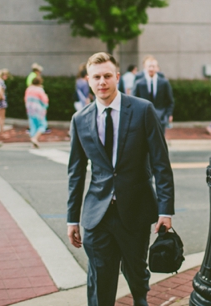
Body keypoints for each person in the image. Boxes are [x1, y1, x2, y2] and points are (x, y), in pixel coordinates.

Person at [67, 52, 174, 306]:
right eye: (96, 77)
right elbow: (76, 173)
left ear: (117, 77)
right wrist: (72, 218)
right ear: (89, 81)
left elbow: (161, 164)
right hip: (97, 214)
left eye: (106, 76)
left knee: (137, 274)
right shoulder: (80, 120)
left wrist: (165, 210)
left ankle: (140, 300)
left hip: (135, 209)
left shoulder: (142, 110)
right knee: (100, 280)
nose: (102, 82)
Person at [132, 56, 174, 129]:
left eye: (153, 66)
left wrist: (169, 114)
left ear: (156, 67)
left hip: (161, 118)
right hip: (143, 119)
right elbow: (133, 100)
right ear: (145, 67)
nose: (151, 68)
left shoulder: (164, 82)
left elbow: (170, 100)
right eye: (149, 66)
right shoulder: (139, 83)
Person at [25, 76, 48, 148]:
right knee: (43, 125)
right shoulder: (40, 90)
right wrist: (45, 107)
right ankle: (35, 138)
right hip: (39, 110)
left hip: (30, 109)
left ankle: (33, 143)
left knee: (33, 125)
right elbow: (45, 100)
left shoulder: (28, 89)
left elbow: (25, 99)